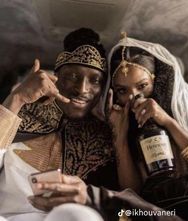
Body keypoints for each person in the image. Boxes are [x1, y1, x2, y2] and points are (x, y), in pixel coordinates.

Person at [0, 28, 122, 221]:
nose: (82, 89)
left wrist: (119, 131)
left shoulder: (104, 139)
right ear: (56, 78)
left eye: (95, 80)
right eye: (73, 76)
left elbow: (126, 211)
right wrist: (17, 98)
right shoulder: (19, 112)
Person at [106, 34, 188, 220]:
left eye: (142, 86)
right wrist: (119, 137)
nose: (134, 97)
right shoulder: (129, 126)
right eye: (122, 91)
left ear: (157, 82)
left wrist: (167, 122)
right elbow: (134, 195)